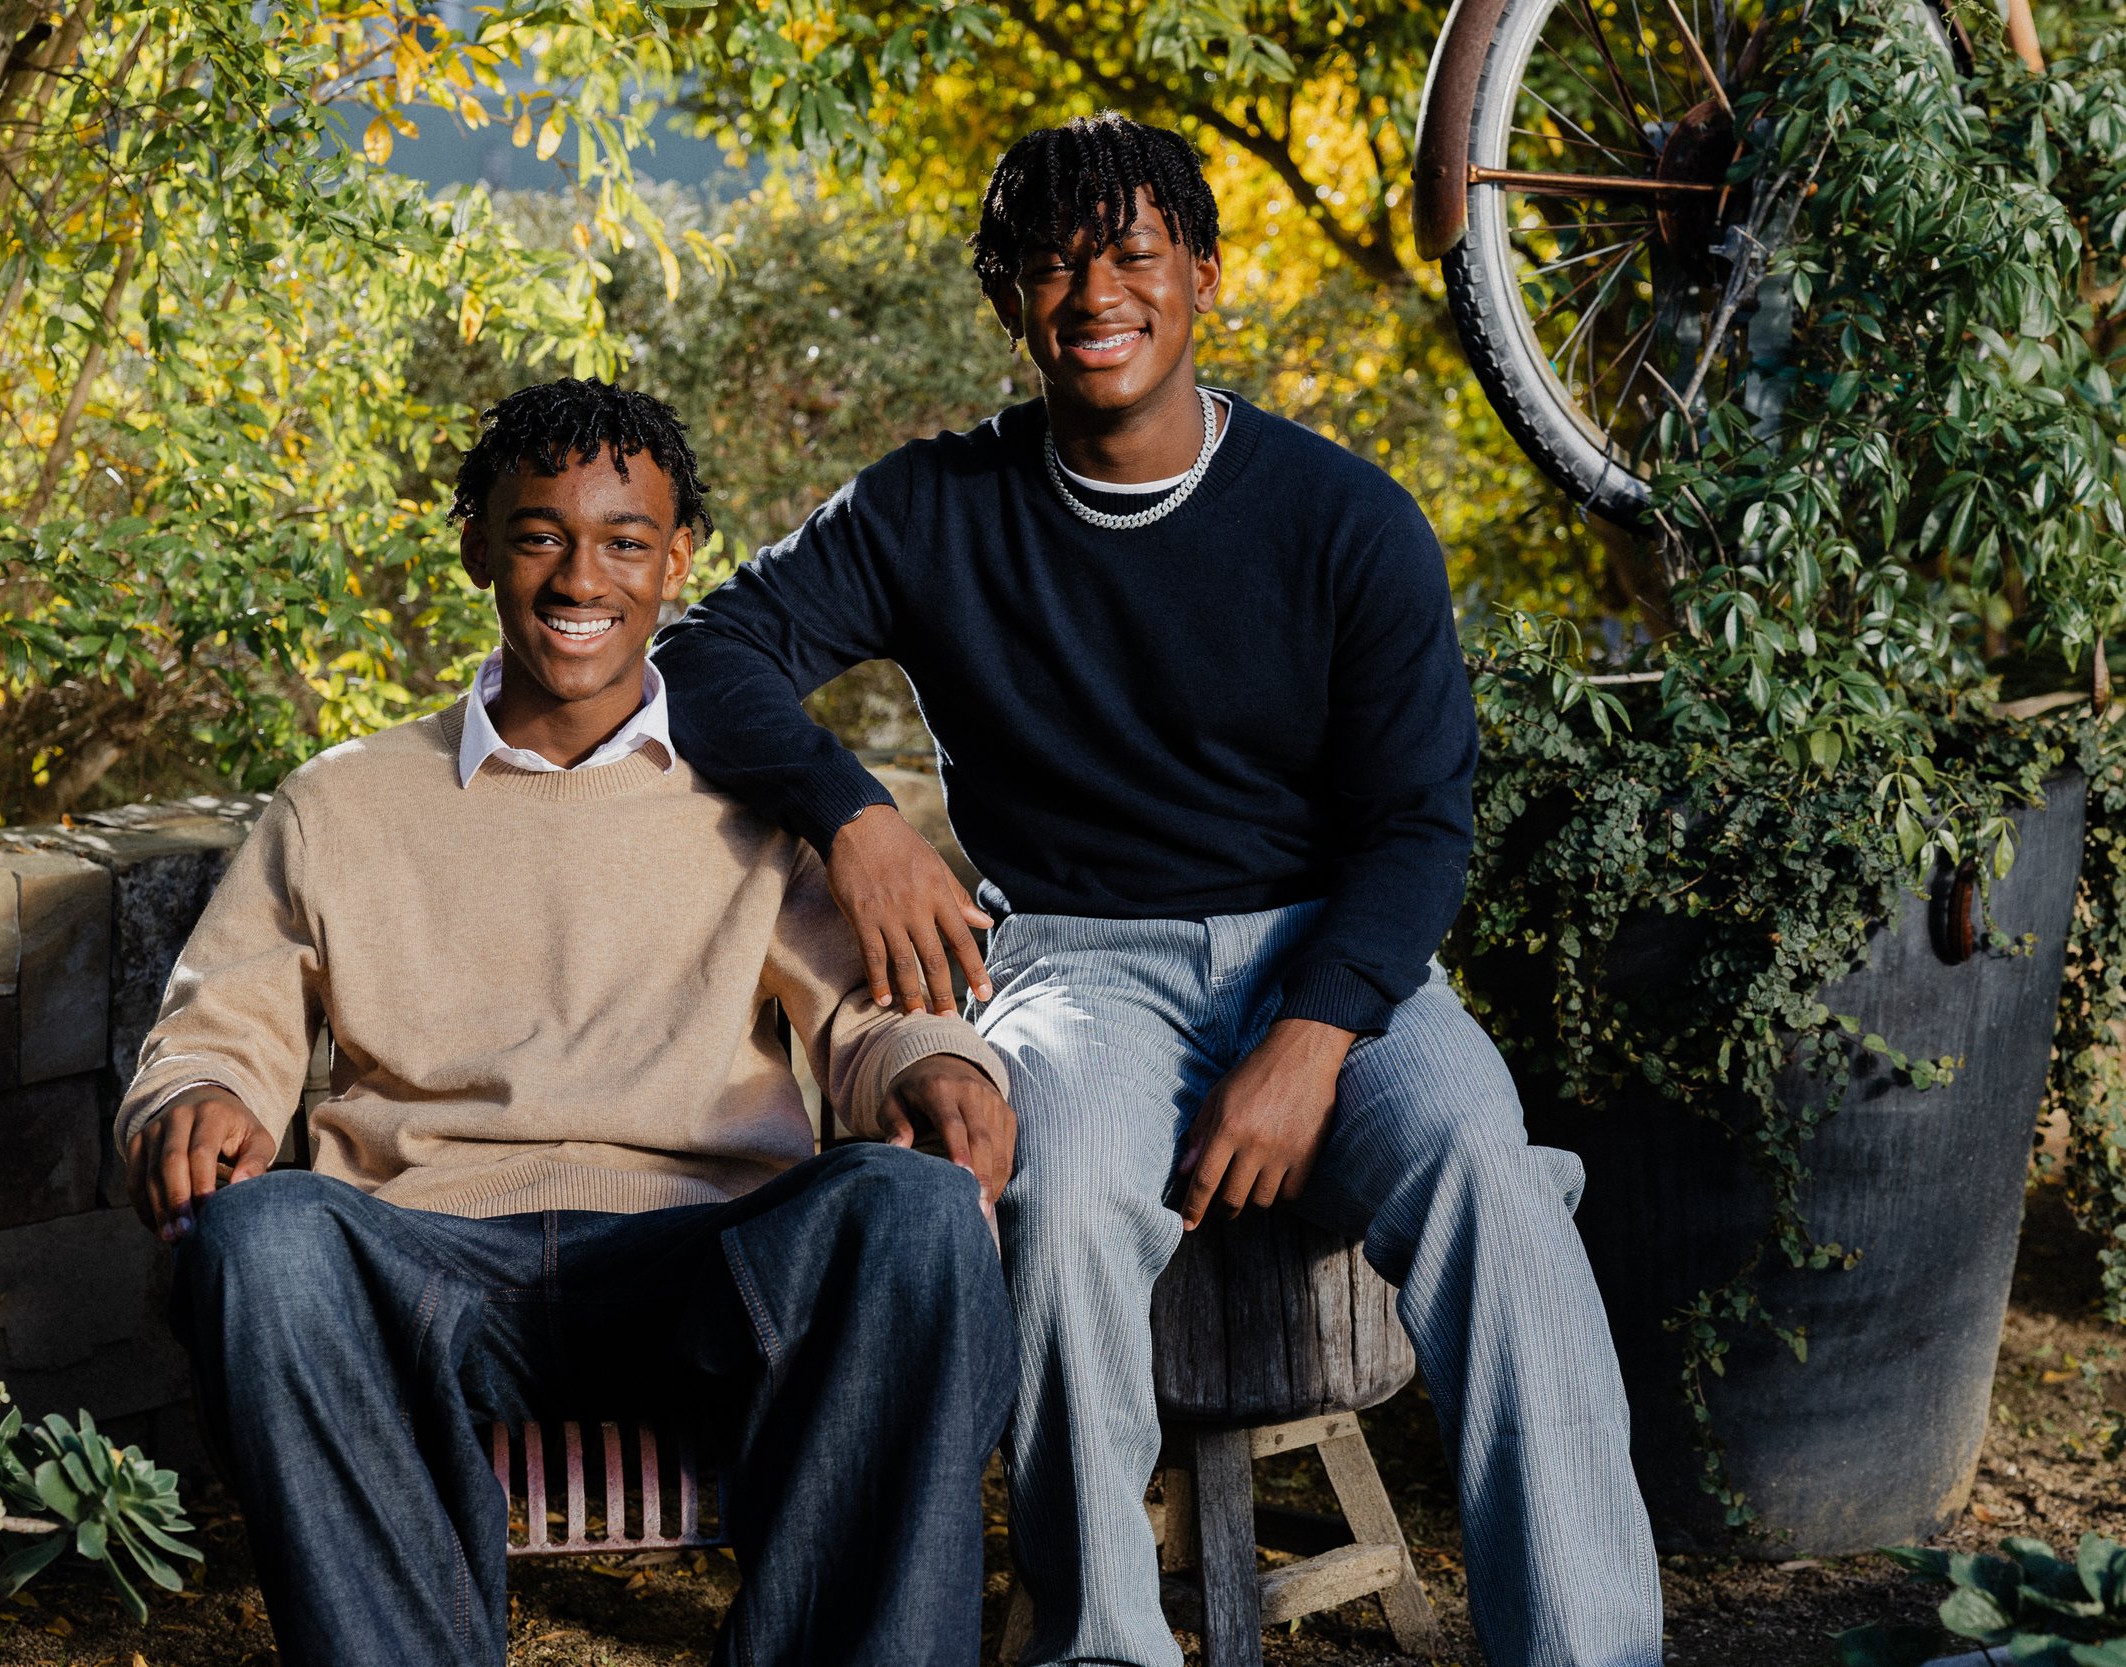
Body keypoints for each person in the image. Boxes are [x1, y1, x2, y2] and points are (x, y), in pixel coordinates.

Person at [652, 114, 1664, 1667]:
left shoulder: (1345, 520)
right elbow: (705, 655)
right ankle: (1107, 1648)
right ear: (1009, 300)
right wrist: (856, 818)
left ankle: (1593, 1651)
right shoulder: (935, 510)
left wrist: (1314, 1036)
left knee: (1493, 1174)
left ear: (1200, 279)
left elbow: (1418, 831)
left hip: (1332, 947)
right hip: (1077, 960)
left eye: (1130, 254)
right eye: (1052, 263)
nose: (1093, 291)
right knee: (1057, 1210)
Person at [120, 378, 1020, 1667]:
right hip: (429, 1259)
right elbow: (221, 1027)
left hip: (704, 1266)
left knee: (919, 1216)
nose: (577, 577)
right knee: (259, 1240)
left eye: (623, 541)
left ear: (676, 561)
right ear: (479, 546)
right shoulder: (343, 803)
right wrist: (196, 1097)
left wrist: (936, 1064)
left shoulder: (757, 801)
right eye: (539, 534)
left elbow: (877, 1018)